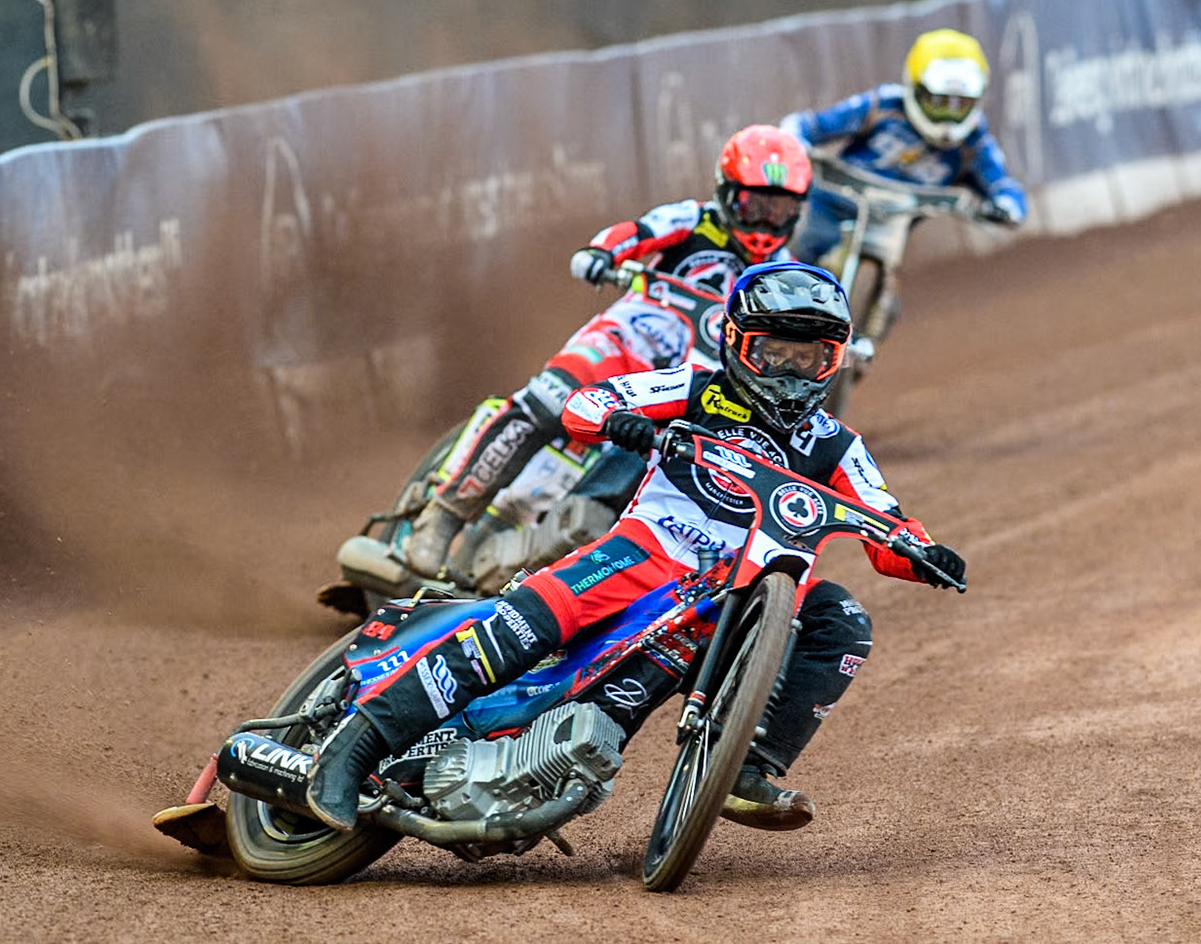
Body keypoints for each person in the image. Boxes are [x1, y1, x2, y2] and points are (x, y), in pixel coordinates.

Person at [308, 261, 967, 832]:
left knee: (842, 622)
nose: (793, 374)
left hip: (733, 606)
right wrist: (618, 421)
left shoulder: (838, 446)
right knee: (519, 629)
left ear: (835, 359)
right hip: (644, 553)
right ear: (739, 344)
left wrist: (925, 552)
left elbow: (886, 524)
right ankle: (353, 747)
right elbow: (586, 404)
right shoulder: (697, 386)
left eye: (811, 358)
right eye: (776, 353)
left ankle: (747, 768)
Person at [400, 123, 814, 580]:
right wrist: (603, 253)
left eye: (779, 210)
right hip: (626, 340)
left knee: (670, 462)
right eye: (754, 205)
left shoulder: (783, 274)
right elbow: (636, 232)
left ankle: (566, 557)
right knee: (546, 402)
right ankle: (444, 515)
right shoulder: (693, 221)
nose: (764, 221)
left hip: (682, 386)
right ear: (726, 192)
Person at [781, 27, 1027, 346]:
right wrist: (795, 141)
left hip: (891, 225)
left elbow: (1003, 184)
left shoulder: (974, 141)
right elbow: (811, 125)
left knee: (889, 306)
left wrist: (1007, 206)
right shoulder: (882, 105)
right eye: (940, 102)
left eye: (961, 104)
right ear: (915, 89)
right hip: (832, 205)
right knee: (789, 264)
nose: (949, 117)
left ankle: (860, 349)